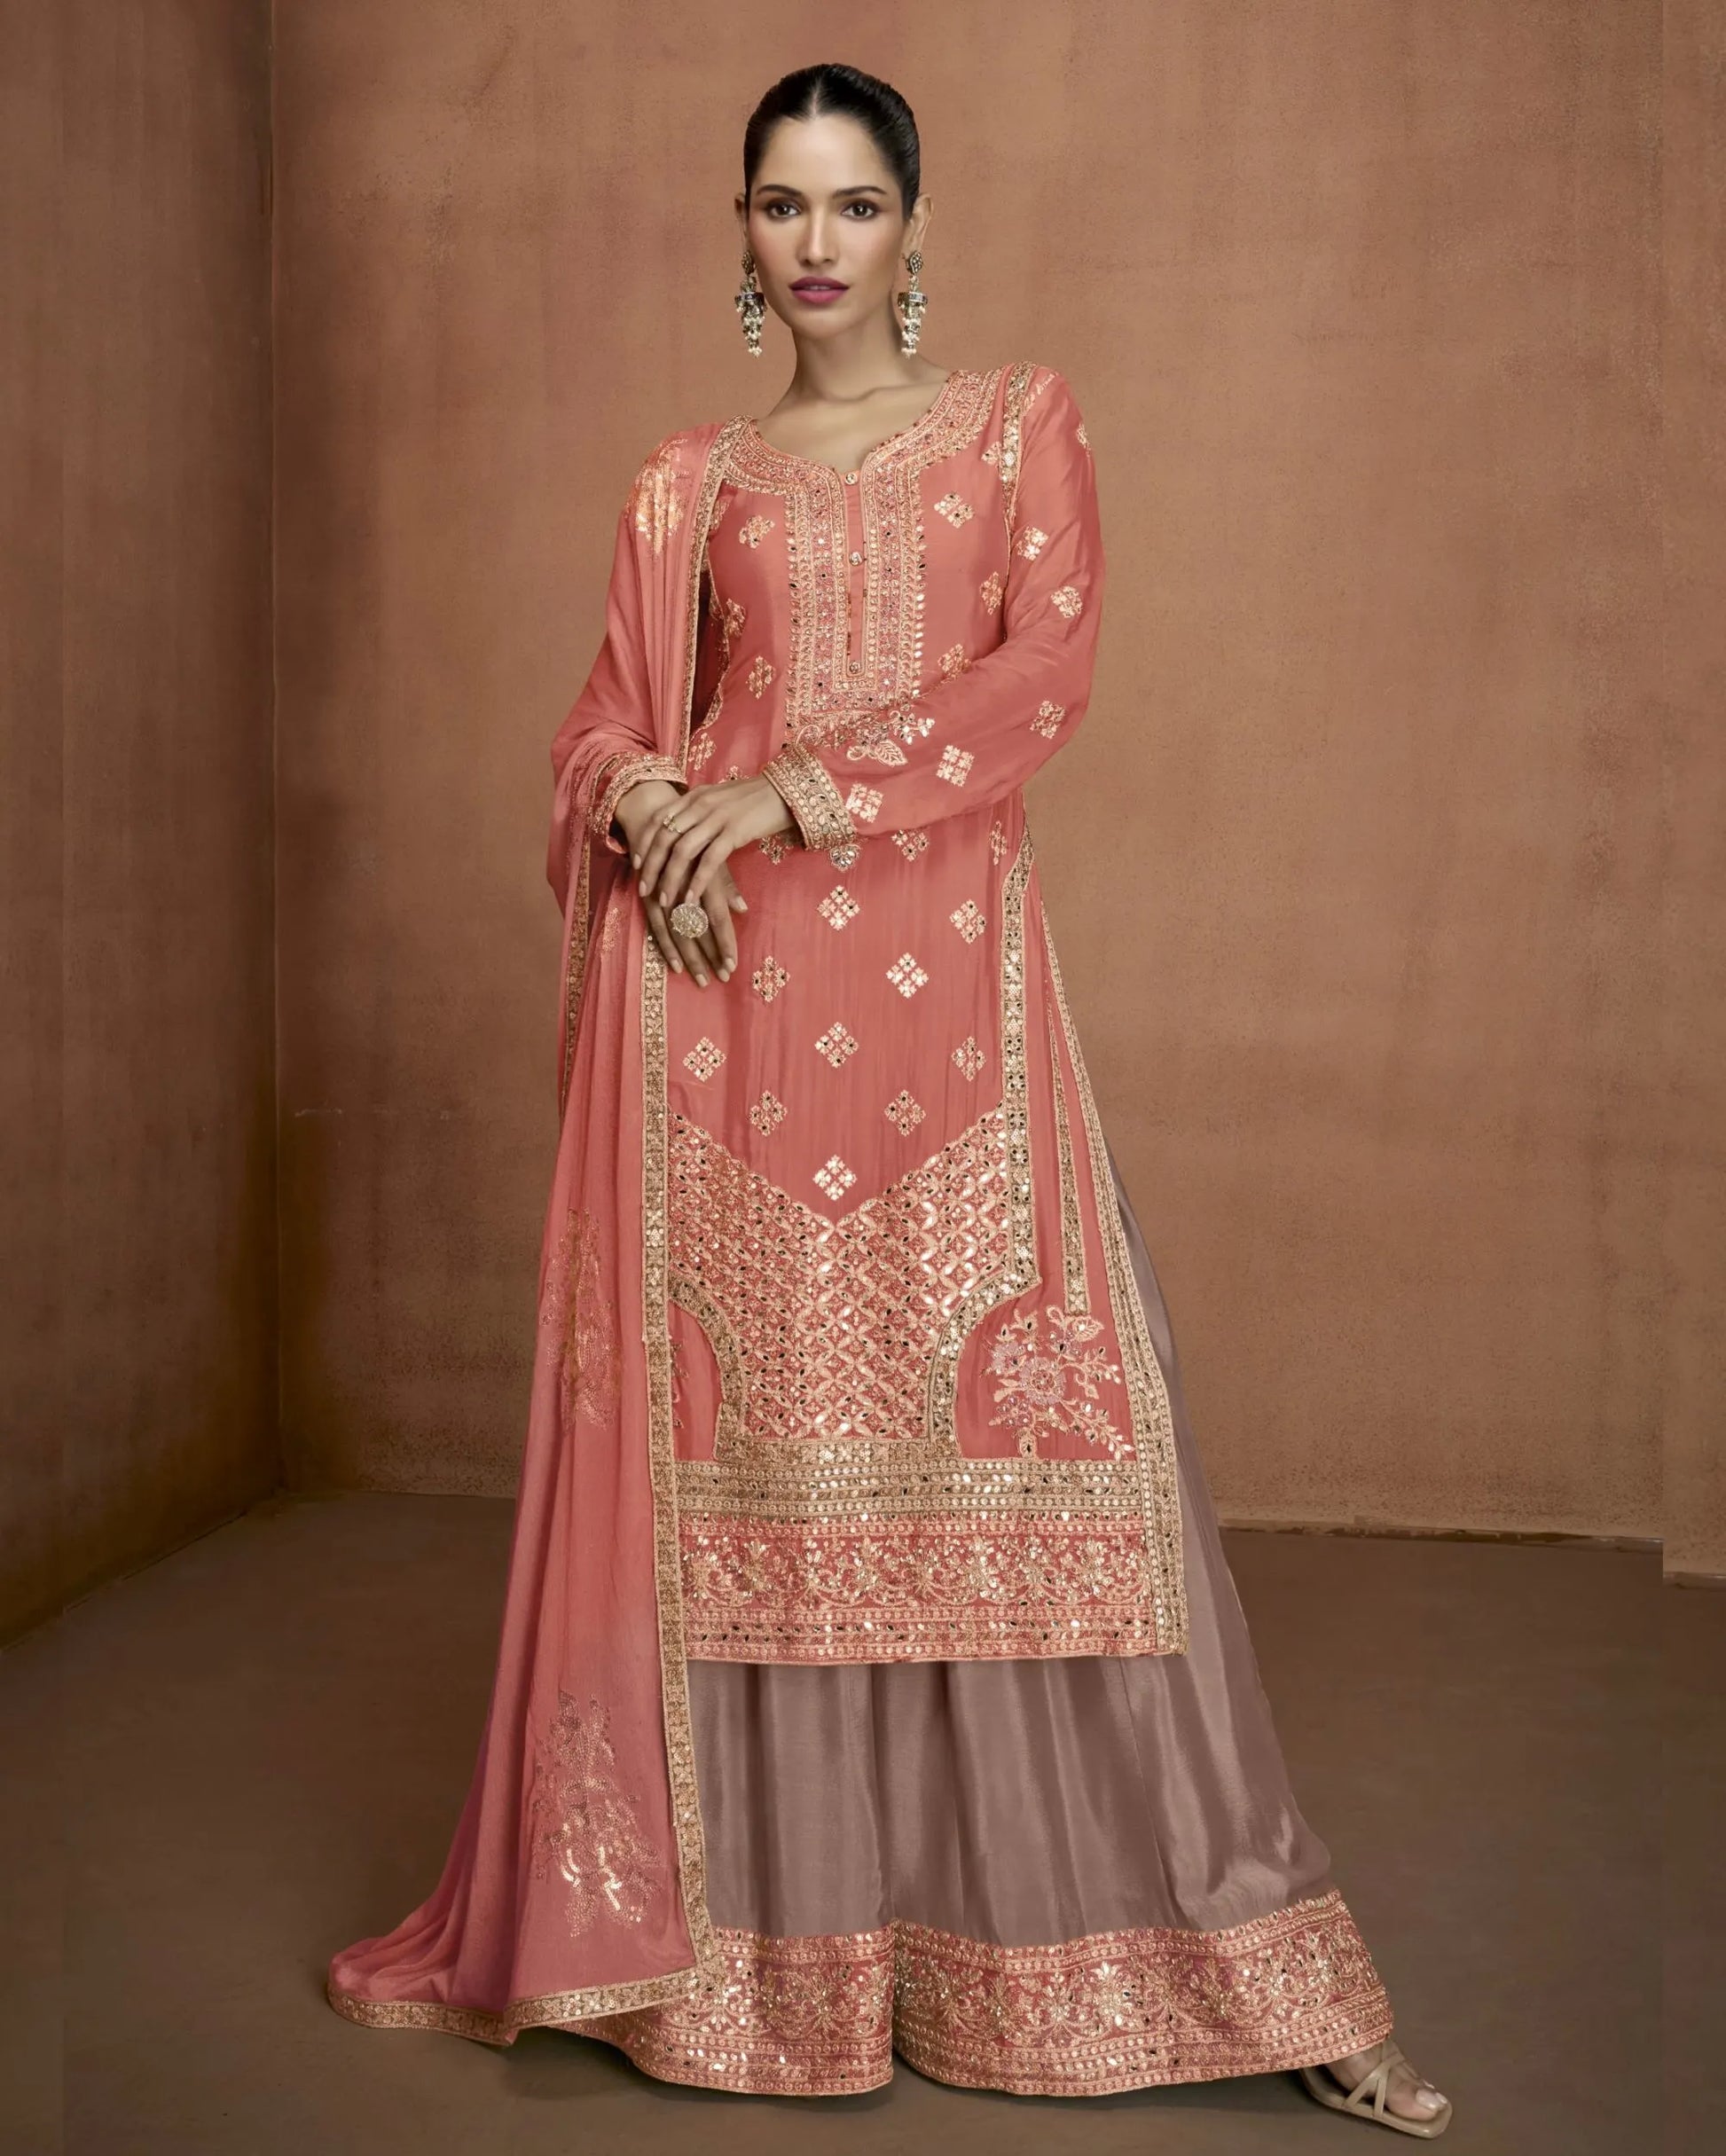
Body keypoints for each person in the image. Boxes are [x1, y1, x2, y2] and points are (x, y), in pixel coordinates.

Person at [326, 61, 1451, 2138]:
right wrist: (651, 784)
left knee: (1063, 1464)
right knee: (760, 1469)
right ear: (739, 235)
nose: (818, 241)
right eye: (780, 204)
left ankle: (1250, 1959)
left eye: (855, 204)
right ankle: (775, 1974)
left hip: (955, 1028)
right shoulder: (689, 480)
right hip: (719, 1013)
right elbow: (601, 713)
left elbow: (1045, 676)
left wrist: (787, 787)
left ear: (916, 228)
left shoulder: (1021, 421)